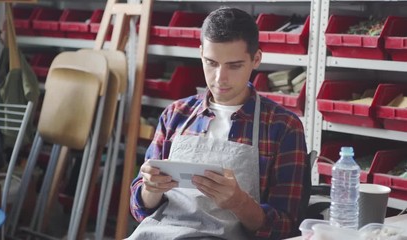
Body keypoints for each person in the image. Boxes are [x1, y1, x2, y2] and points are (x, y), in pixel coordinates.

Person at [128, 7, 308, 240]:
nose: (219, 78)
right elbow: (139, 209)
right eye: (211, 63)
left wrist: (240, 203)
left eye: (234, 66)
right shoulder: (176, 114)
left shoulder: (283, 127)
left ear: (256, 59)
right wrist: (150, 190)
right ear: (201, 53)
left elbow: (287, 228)